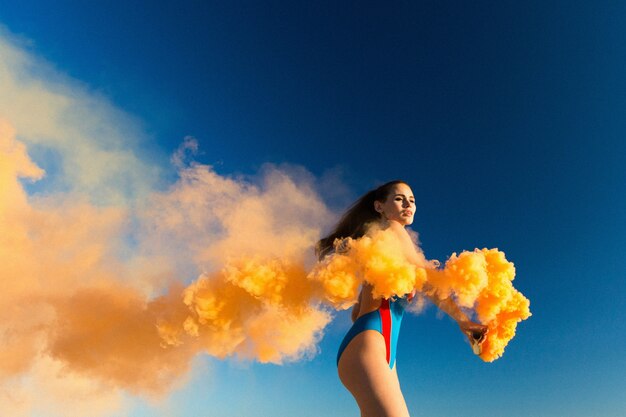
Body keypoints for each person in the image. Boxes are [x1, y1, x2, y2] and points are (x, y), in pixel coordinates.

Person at [317, 180, 487, 417]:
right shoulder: (394, 230)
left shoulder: (380, 246)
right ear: (379, 206)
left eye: (413, 200)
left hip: (371, 347)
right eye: (399, 198)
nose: (409, 204)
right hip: (372, 345)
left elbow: (356, 313)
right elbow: (427, 282)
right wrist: (463, 320)